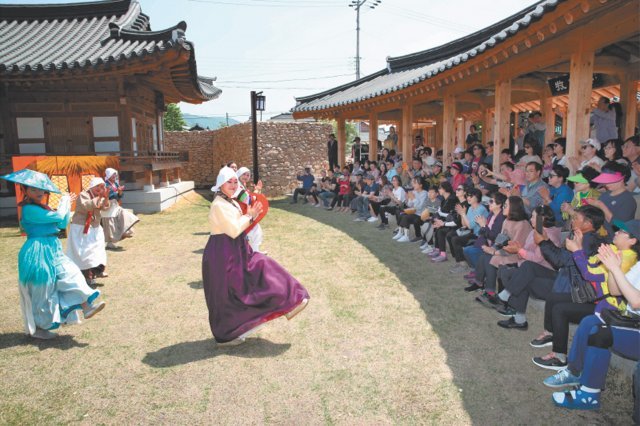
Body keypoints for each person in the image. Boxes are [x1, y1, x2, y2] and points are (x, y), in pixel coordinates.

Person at [203, 167, 309, 346]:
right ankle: (226, 335)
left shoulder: (231, 201)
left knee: (261, 270)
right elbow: (234, 229)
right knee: (227, 295)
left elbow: (246, 212)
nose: (233, 184)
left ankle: (291, 300)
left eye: (235, 181)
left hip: (236, 248)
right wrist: (250, 216)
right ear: (220, 184)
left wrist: (253, 212)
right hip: (222, 253)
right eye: (229, 182)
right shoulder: (219, 205)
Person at [1, 169, 105, 339]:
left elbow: (63, 222)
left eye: (40, 189)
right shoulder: (29, 210)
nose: (38, 192)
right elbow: (59, 215)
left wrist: (64, 206)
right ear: (25, 190)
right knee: (42, 290)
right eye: (33, 189)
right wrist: (64, 201)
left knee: (71, 273)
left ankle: (87, 306)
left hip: (52, 247)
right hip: (37, 251)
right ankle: (40, 327)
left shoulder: (44, 207)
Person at [544, 242, 639, 412]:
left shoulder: (631, 258)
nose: (616, 233)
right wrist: (613, 268)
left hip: (634, 323)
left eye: (621, 232)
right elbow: (615, 290)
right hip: (632, 320)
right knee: (589, 321)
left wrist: (615, 269)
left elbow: (636, 302)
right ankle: (574, 371)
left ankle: (589, 394)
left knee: (600, 334)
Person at [66, 177, 110, 286]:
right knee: (84, 254)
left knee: (97, 251)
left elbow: (105, 208)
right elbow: (87, 206)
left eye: (102, 187)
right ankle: (87, 276)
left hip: (94, 228)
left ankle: (96, 271)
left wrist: (106, 197)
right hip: (81, 229)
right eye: (98, 187)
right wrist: (100, 197)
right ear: (92, 187)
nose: (100, 189)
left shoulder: (98, 196)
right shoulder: (83, 195)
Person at [101, 168, 139, 250]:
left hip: (115, 205)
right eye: (113, 174)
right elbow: (107, 195)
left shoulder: (115, 184)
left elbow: (120, 195)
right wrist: (116, 193)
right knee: (111, 225)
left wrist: (120, 192)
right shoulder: (105, 185)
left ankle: (126, 231)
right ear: (109, 175)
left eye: (115, 174)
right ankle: (110, 243)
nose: (115, 176)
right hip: (108, 206)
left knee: (124, 215)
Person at [235, 167, 265, 252]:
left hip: (245, 214)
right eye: (244, 174)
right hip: (241, 215)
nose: (246, 176)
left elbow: (251, 199)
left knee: (255, 232)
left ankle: (254, 252)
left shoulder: (242, 186)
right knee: (254, 232)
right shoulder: (237, 186)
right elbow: (248, 199)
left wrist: (257, 192)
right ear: (239, 174)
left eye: (248, 175)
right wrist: (256, 190)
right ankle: (254, 253)